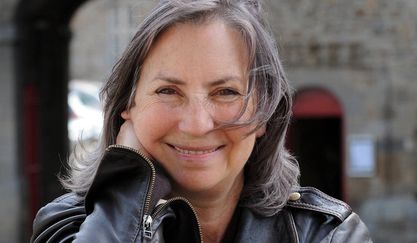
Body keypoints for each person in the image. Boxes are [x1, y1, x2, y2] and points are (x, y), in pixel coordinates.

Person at [31, 0, 372, 242]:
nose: (196, 124)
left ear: (264, 112)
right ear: (128, 106)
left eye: (226, 92)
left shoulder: (325, 233)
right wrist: (126, 193)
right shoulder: (71, 226)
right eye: (168, 91)